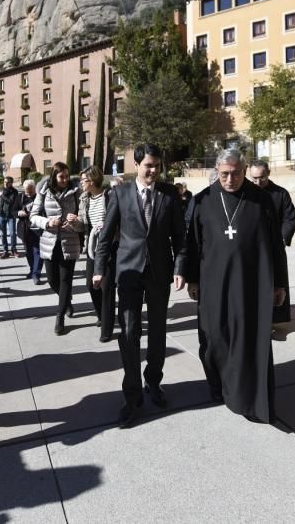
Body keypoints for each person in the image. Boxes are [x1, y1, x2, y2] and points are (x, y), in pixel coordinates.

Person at [185, 150, 285, 423]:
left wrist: (279, 284)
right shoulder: (202, 201)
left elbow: (276, 244)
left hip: (251, 282)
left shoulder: (261, 199)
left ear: (244, 170)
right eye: (225, 173)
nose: (230, 179)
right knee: (214, 338)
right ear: (217, 171)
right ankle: (216, 383)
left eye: (236, 173)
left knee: (246, 339)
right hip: (213, 282)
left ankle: (242, 394)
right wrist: (191, 278)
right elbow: (192, 244)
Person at [94, 144, 185, 428]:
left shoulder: (169, 194)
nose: (154, 170)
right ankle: (131, 395)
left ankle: (153, 383)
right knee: (130, 332)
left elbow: (180, 238)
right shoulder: (119, 194)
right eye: (148, 165)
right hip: (129, 274)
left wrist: (180, 269)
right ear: (136, 165)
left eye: (157, 165)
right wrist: (99, 269)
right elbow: (106, 237)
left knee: (158, 331)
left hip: (160, 274)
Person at [31, 162, 84, 334]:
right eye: (61, 177)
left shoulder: (77, 192)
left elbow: (83, 218)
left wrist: (76, 221)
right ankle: (66, 301)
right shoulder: (43, 191)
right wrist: (47, 222)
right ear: (54, 177)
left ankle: (60, 317)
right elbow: (33, 216)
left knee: (65, 280)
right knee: (52, 280)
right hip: (50, 242)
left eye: (67, 176)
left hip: (70, 241)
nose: (65, 180)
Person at [247, 160, 295, 335]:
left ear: (268, 173)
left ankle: (271, 321)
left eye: (261, 178)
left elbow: (290, 217)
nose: (258, 182)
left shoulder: (280, 193)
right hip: (250, 248)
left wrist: (282, 238)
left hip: (272, 248)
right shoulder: (245, 192)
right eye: (254, 178)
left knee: (274, 284)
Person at [79, 165, 115, 342]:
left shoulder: (109, 196)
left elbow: (118, 219)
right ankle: (102, 315)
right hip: (92, 247)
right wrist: (73, 222)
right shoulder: (85, 199)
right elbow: (83, 223)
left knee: (107, 288)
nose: (81, 183)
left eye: (83, 180)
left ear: (92, 181)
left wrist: (107, 228)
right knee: (90, 285)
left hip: (109, 247)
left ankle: (107, 329)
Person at [16, 179, 43, 284]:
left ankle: (36, 274)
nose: (28, 193)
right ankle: (32, 270)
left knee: (38, 251)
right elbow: (13, 210)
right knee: (28, 252)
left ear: (34, 188)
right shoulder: (20, 197)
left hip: (37, 228)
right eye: (26, 191)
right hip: (24, 229)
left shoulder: (40, 197)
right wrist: (18, 212)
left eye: (30, 191)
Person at [0, 176, 20, 259]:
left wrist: (2, 195)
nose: (6, 184)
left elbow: (10, 201)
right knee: (3, 234)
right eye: (4, 182)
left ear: (11, 183)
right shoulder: (0, 190)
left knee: (13, 233)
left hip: (11, 215)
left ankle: (13, 250)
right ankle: (5, 251)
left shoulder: (14, 192)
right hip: (1, 215)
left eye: (8, 182)